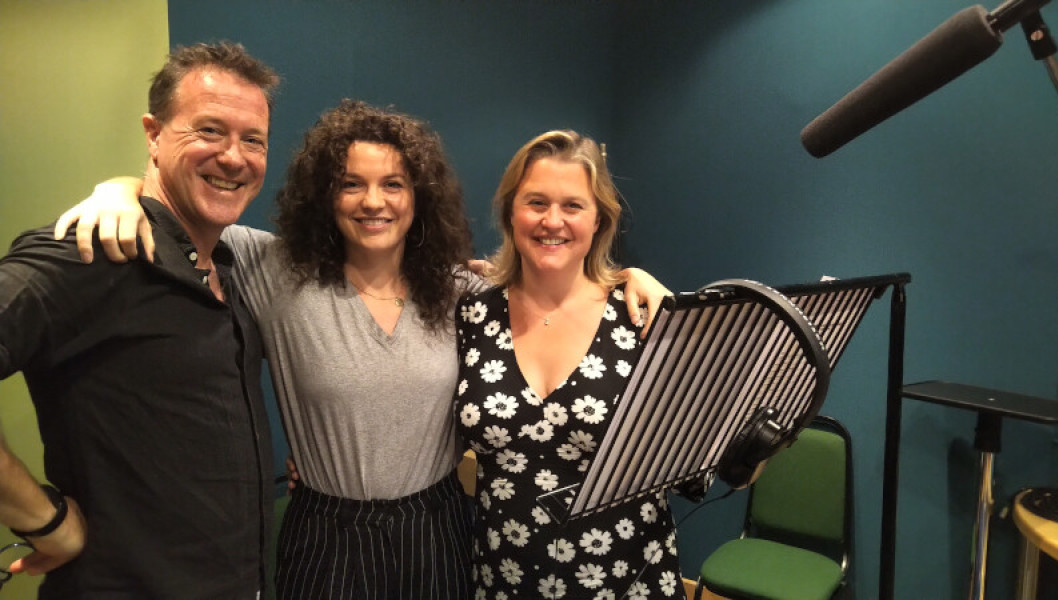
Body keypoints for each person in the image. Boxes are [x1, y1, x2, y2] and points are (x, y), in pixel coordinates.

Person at [58, 102, 670, 599]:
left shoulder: (465, 293)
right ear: (326, 195)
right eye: (351, 184)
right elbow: (184, 212)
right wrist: (117, 190)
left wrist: (626, 278)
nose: (372, 202)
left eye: (392, 185)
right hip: (325, 535)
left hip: (439, 531)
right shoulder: (275, 270)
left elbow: (554, 284)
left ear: (417, 196)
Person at [0, 41, 278, 598]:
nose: (234, 157)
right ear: (153, 135)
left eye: (253, 140)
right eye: (209, 131)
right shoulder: (88, 253)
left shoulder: (233, 266)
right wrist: (45, 521)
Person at [454, 130, 688, 599]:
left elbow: (696, 464)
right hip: (505, 579)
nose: (552, 221)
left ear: (599, 219)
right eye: (536, 202)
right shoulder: (472, 313)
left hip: (626, 581)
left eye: (573, 206)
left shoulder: (643, 318)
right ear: (510, 212)